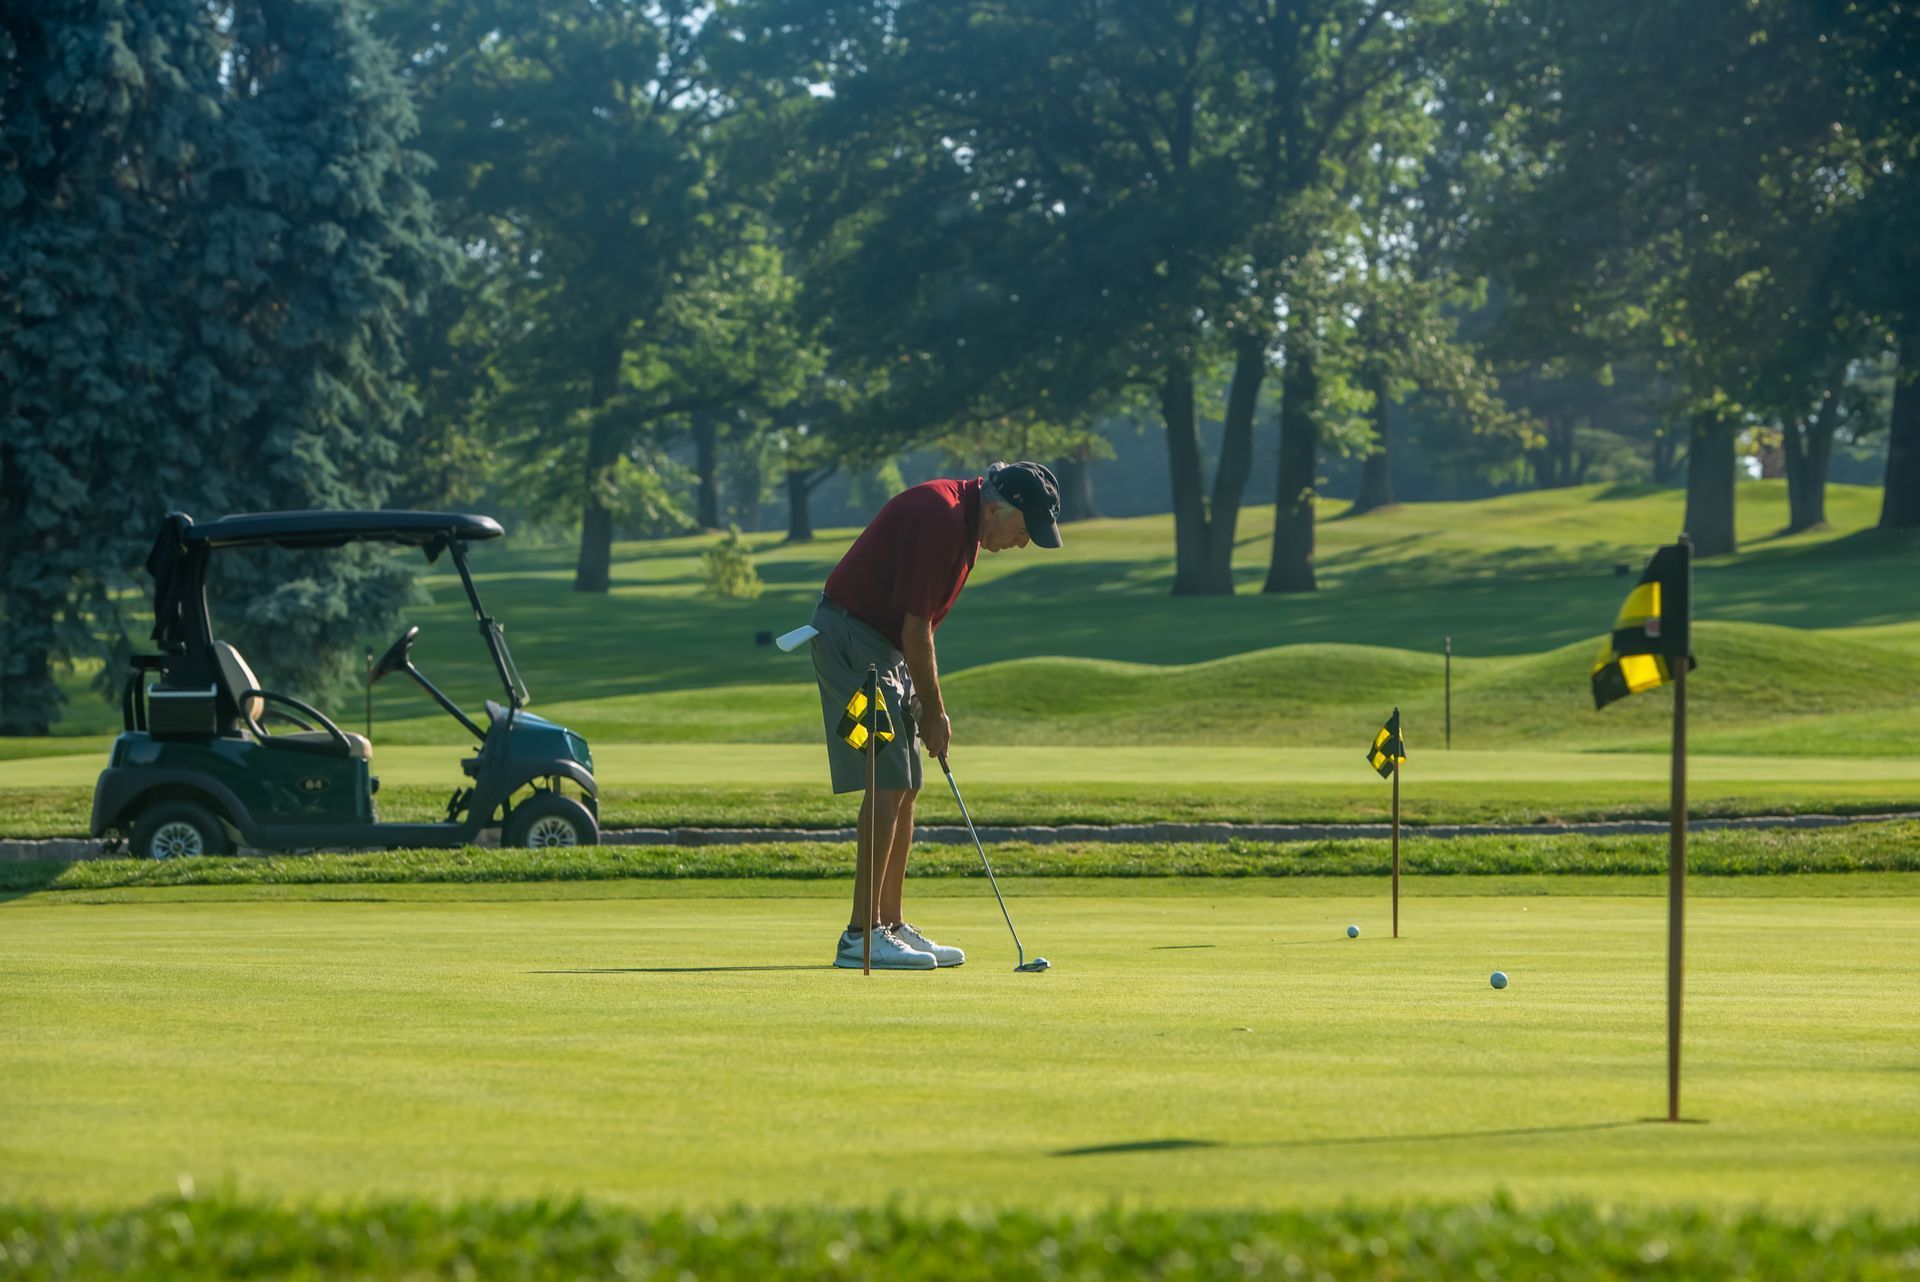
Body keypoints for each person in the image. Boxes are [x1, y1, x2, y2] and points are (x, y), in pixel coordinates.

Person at [808, 461, 1062, 969]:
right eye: (1021, 530)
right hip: (852, 644)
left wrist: (922, 696)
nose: (1022, 543)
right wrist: (937, 712)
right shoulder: (941, 517)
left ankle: (890, 924)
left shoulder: (966, 529)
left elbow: (918, 626)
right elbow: (915, 624)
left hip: (882, 650)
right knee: (886, 778)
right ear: (995, 508)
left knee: (906, 783)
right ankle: (861, 935)